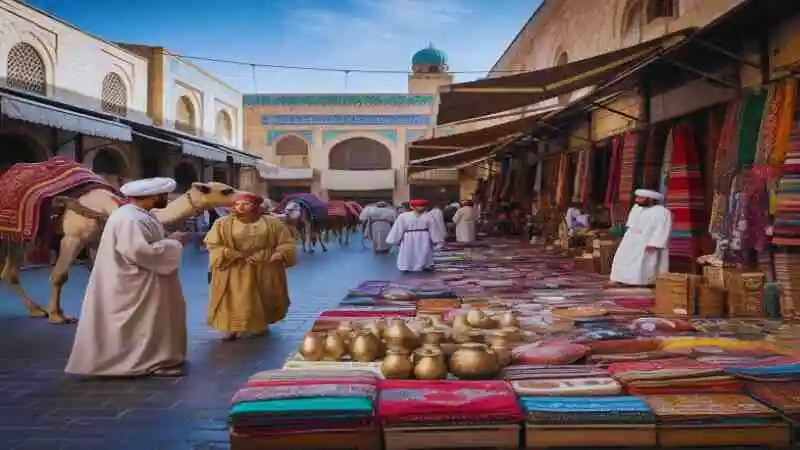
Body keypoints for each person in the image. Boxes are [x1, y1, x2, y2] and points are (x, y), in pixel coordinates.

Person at [65, 177, 188, 377]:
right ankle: (144, 362)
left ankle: (153, 358)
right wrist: (173, 244)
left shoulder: (137, 215)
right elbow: (138, 251)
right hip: (134, 283)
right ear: (153, 197)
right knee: (141, 324)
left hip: (141, 281)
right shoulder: (131, 218)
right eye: (163, 196)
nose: (166, 200)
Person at [204, 192, 297, 341]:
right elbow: (213, 244)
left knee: (262, 297)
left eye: (246, 204)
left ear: (256, 206)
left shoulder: (273, 223)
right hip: (233, 267)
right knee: (234, 299)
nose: (241, 207)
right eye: (237, 204)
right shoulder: (222, 223)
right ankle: (232, 328)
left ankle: (259, 324)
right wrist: (228, 253)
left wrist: (280, 253)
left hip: (263, 266)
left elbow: (286, 243)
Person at [609, 189, 672, 286]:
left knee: (644, 263)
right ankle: (618, 279)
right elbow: (630, 224)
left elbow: (662, 228)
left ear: (650, 200)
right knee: (621, 258)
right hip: (631, 239)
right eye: (637, 197)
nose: (637, 200)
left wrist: (655, 243)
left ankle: (642, 282)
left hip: (648, 240)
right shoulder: (636, 208)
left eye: (640, 198)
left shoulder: (662, 212)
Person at [386, 199, 443, 272]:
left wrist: (437, 241)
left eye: (422, 206)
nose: (420, 208)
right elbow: (399, 228)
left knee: (423, 251)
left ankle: (423, 265)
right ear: (412, 207)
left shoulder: (429, 216)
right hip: (412, 238)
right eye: (418, 206)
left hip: (422, 238)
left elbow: (433, 230)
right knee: (411, 252)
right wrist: (437, 241)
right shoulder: (403, 216)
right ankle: (409, 266)